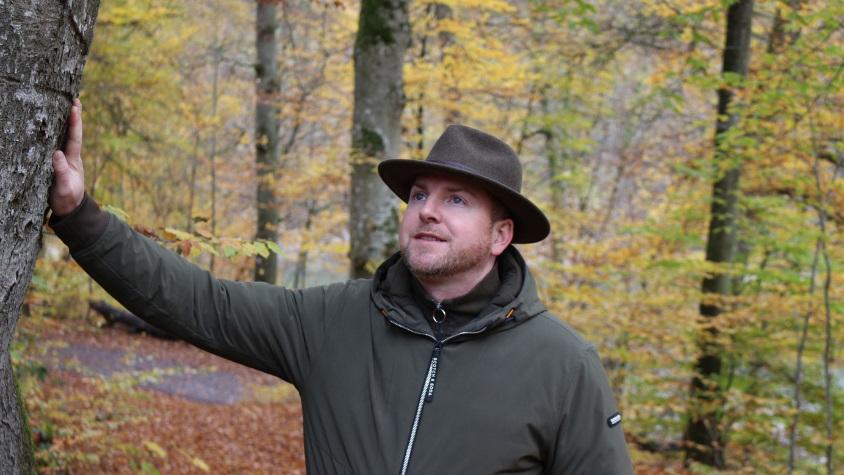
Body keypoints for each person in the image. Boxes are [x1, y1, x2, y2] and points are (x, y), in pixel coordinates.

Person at [49, 99, 633, 474]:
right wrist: (79, 215)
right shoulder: (334, 321)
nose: (428, 211)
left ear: (501, 234)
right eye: (421, 195)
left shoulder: (563, 365)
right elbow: (200, 302)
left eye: (457, 200)